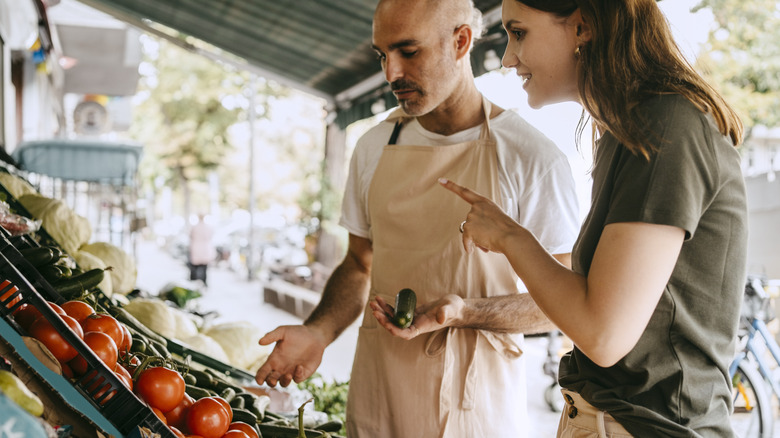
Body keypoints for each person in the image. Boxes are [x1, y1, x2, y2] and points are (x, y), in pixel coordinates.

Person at [255, 0, 580, 436]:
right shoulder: (373, 146)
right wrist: (318, 331)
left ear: (461, 41)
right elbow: (358, 264)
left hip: (474, 408)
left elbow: (565, 306)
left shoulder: (531, 157)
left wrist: (466, 312)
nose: (391, 74)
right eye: (382, 55)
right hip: (378, 396)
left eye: (409, 51)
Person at [436, 0, 748, 436]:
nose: (507, 58)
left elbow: (603, 335)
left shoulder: (665, 125)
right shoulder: (624, 132)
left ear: (583, 26)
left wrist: (510, 237)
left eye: (519, 32)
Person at [188, 213, 215, 286]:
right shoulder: (208, 227)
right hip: (205, 249)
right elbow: (210, 236)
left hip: (196, 248)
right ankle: (204, 282)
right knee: (204, 268)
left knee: (194, 268)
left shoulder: (194, 227)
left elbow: (190, 236)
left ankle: (193, 282)